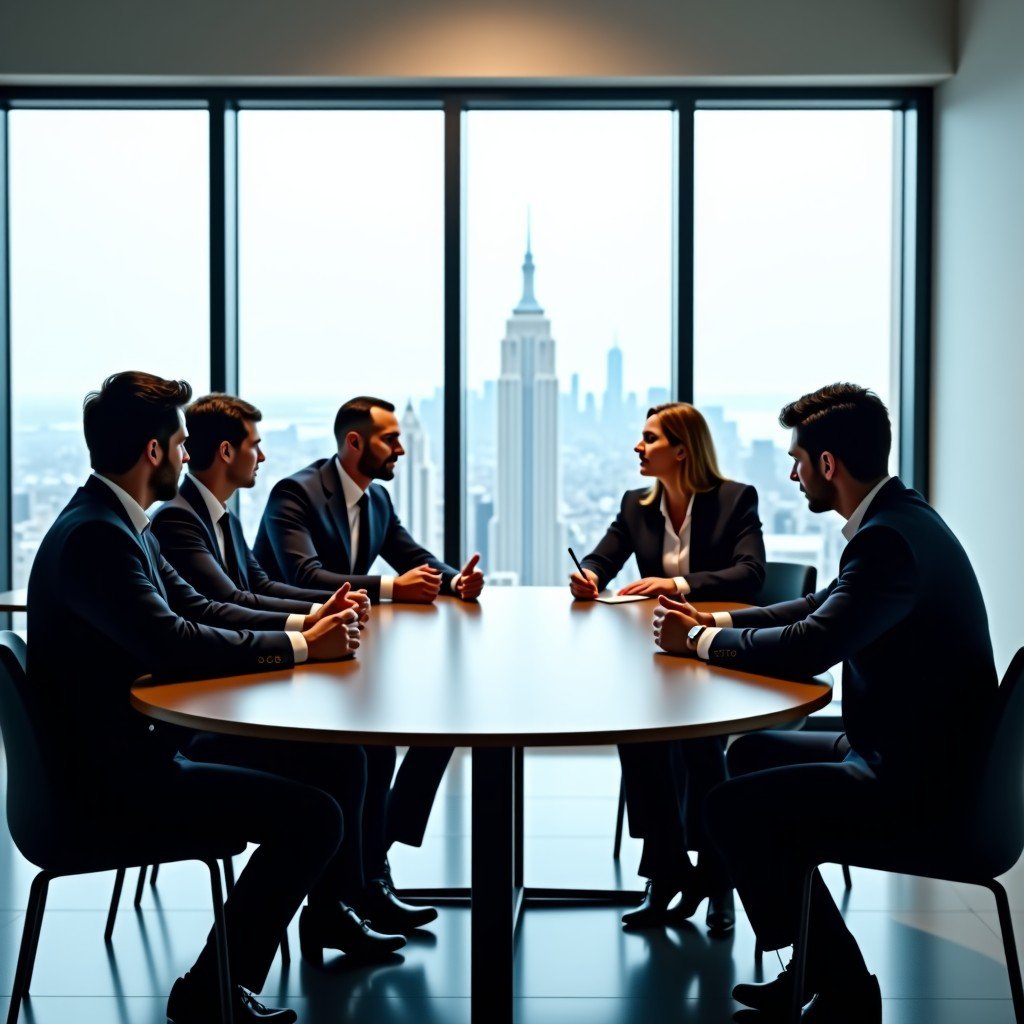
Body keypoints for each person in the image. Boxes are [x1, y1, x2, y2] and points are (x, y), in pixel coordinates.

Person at [27, 371, 367, 1024]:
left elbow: (197, 610)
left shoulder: (120, 524)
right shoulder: (97, 536)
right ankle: (211, 994)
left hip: (133, 753)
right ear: (154, 451)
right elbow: (174, 642)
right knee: (315, 819)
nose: (188, 457)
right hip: (109, 783)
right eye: (182, 444)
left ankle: (331, 916)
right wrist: (303, 647)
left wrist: (305, 631)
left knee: (336, 759)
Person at [652, 383, 996, 1023]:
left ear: (828, 464)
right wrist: (714, 620)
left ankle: (845, 991)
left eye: (798, 461)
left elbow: (811, 645)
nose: (793, 474)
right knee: (750, 754)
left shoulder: (888, 541)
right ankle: (814, 968)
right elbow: (819, 606)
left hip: (922, 780)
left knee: (729, 809)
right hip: (911, 745)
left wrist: (697, 643)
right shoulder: (899, 520)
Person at [150, 392, 438, 938]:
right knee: (348, 754)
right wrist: (307, 632)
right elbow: (221, 605)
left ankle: (360, 890)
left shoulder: (218, 515)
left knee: (367, 748)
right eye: (255, 446)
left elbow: (257, 586)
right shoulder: (179, 522)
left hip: (239, 685)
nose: (263, 457)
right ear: (228, 451)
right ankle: (340, 904)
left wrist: (317, 614)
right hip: (209, 715)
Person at [570, 402, 766, 934]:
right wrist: (589, 577)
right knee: (638, 736)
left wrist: (675, 584)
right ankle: (667, 871)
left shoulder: (734, 499)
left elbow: (750, 574)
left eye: (650, 438)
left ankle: (718, 878)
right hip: (660, 654)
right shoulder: (636, 505)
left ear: (682, 450)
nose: (639, 446)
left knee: (699, 744)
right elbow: (603, 558)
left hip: (717, 651)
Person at [254, 395, 483, 851]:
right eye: (390, 439)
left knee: (443, 721)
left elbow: (411, 555)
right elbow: (305, 576)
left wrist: (456, 581)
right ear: (355, 442)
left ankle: (378, 850)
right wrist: (394, 587)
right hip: (294, 659)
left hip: (350, 651)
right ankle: (370, 866)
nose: (401, 449)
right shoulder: (295, 493)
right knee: (375, 749)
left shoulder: (376, 498)